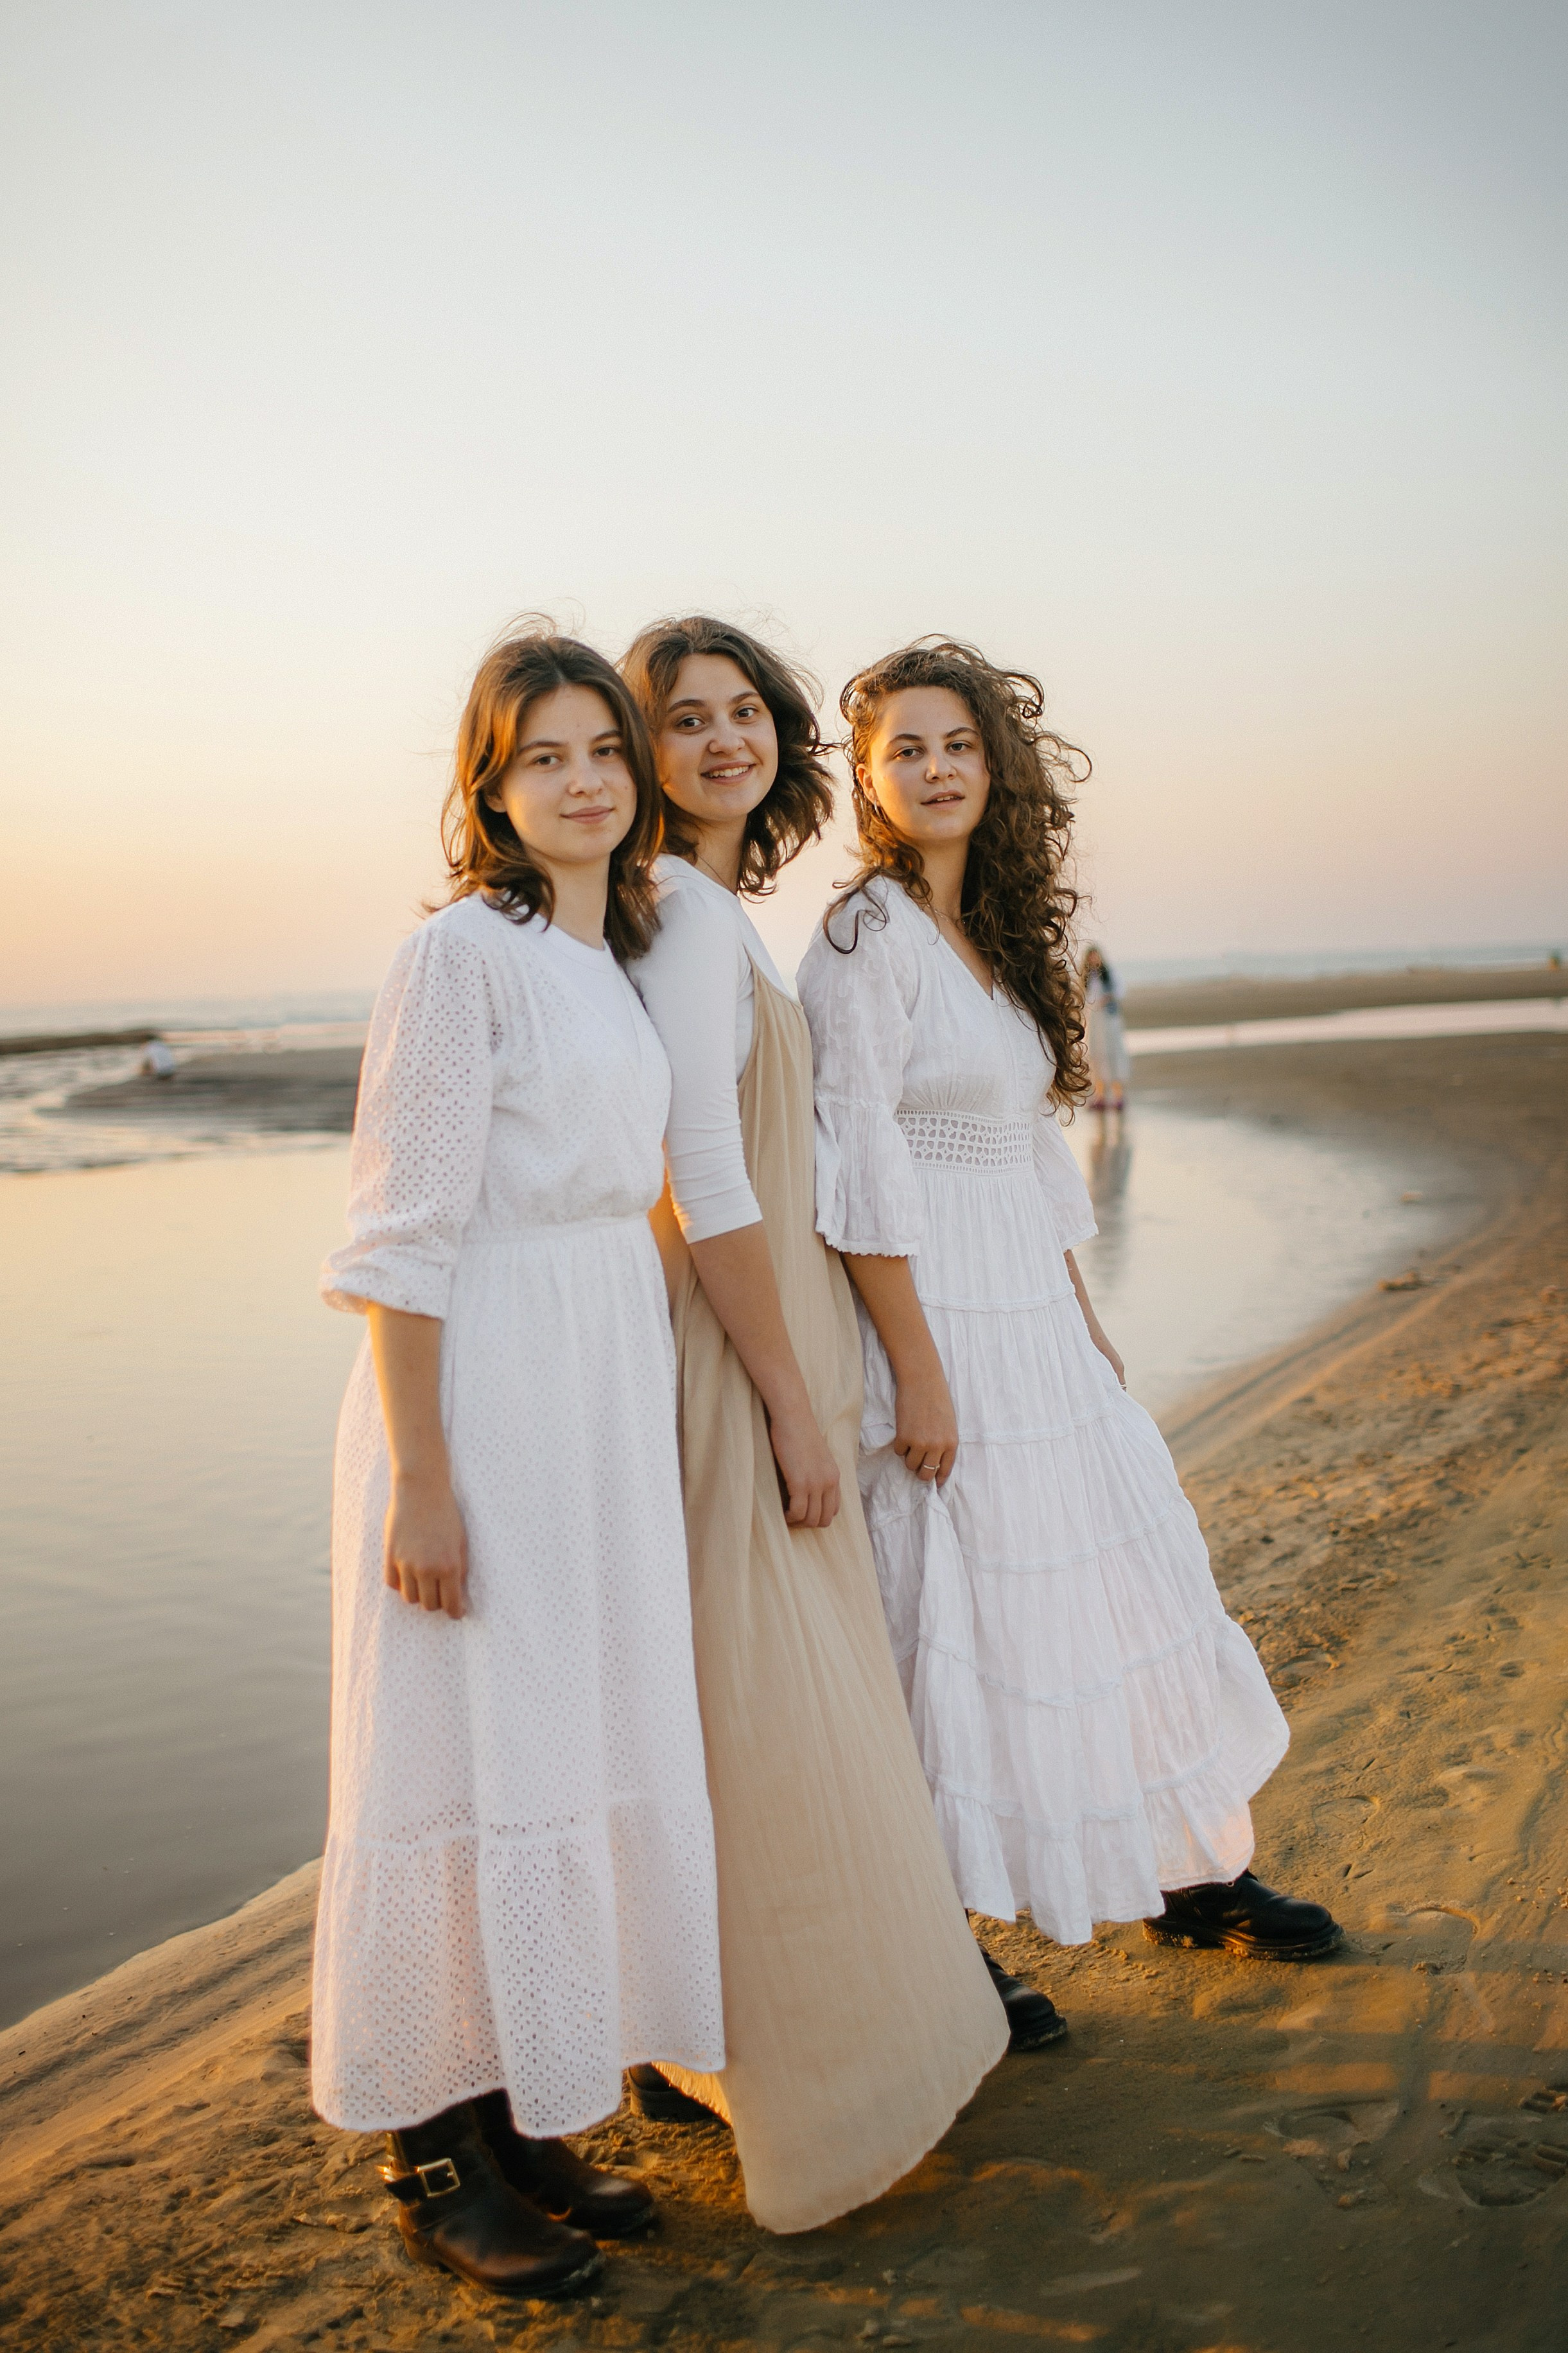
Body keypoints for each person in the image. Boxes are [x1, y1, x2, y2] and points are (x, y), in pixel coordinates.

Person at [797, 636, 1341, 1996]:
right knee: (956, 1626)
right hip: (935, 1320)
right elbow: (855, 1170)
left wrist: (1080, 1307)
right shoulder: (863, 938)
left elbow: (1029, 1144)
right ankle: (945, 1949)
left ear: (997, 764)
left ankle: (1193, 1874)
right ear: (868, 776)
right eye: (906, 748)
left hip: (1031, 1311)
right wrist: (917, 1376)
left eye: (958, 743)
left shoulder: (986, 929)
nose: (935, 768)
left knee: (1114, 1579)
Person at [311, 629, 724, 2302]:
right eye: (543, 756)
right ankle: (428, 2158)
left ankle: (519, 2118)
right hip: (476, 1391)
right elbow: (399, 1236)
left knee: (552, 1741)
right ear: (488, 787)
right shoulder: (458, 957)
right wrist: (420, 1479)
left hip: (593, 1383)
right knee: (447, 1757)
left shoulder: (599, 952)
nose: (585, 781)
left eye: (603, 751)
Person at [618, 615, 1009, 2238]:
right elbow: (691, 1173)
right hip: (736, 1350)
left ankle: (694, 2040)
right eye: (683, 719)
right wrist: (789, 1396)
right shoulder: (675, 918)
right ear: (634, 751)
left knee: (763, 1693)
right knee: (770, 1708)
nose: (722, 740)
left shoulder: (709, 910)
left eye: (743, 713)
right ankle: (797, 2072)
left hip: (769, 1329)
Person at [1081, 944, 1129, 1111]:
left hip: (1109, 1019)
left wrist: (1108, 998)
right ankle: (1100, 1096)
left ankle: (1118, 1096)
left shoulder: (1110, 974)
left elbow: (1121, 991)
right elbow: (1084, 998)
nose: (1094, 960)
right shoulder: (1086, 977)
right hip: (1094, 1021)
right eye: (1091, 957)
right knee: (1096, 1056)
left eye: (1096, 956)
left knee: (1113, 1055)